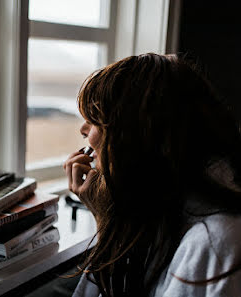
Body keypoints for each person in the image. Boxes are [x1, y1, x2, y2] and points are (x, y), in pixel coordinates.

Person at [63, 53, 241, 296]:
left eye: (95, 119)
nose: (84, 131)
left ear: (137, 136)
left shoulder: (213, 244)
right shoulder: (168, 199)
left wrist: (107, 222)